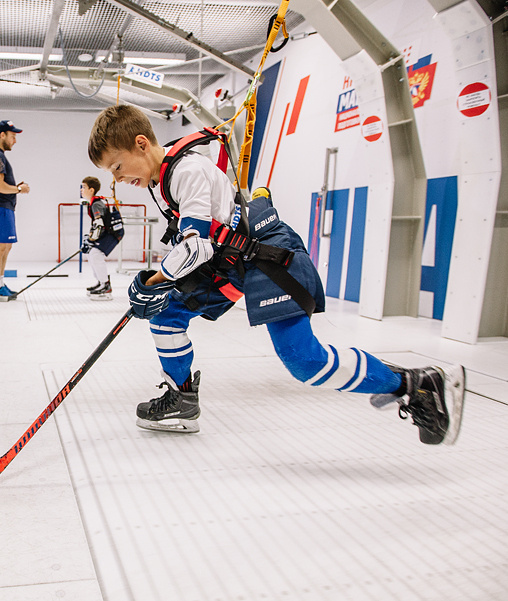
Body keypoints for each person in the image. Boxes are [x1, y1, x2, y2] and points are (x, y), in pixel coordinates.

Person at [87, 104, 465, 445]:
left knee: (304, 361)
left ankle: (417, 384)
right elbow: (198, 242)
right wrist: (158, 288)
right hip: (231, 262)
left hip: (268, 256)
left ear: (141, 144)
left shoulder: (186, 171)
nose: (117, 179)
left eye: (117, 167)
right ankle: (181, 399)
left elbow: (195, 246)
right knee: (166, 315)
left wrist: (153, 283)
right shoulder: (159, 179)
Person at [0, 119, 31, 301]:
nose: (15, 140)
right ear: (2, 135)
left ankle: (1, 284)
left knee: (6, 246)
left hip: (5, 207)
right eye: (12, 136)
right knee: (0, 247)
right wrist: (19, 189)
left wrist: (16, 188)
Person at [80, 176, 124, 299]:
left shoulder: (96, 204)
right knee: (91, 253)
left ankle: (106, 286)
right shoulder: (94, 203)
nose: (81, 190)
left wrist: (91, 239)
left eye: (84, 187)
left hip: (113, 233)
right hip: (107, 233)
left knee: (95, 254)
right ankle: (101, 282)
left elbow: (99, 225)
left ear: (91, 190)